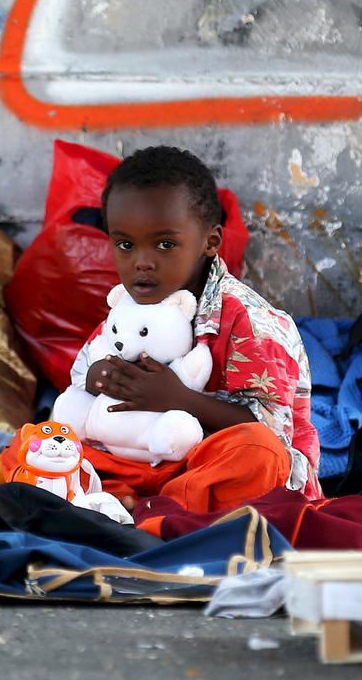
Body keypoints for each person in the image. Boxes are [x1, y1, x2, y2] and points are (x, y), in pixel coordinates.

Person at [63, 146, 320, 512]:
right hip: (139, 463)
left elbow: (273, 433)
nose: (142, 263)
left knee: (258, 455)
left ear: (210, 242)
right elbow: (80, 391)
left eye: (165, 244)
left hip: (212, 466)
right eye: (125, 245)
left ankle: (154, 510)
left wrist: (178, 398)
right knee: (32, 445)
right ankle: (132, 503)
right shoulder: (126, 308)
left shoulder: (249, 319)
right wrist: (96, 379)